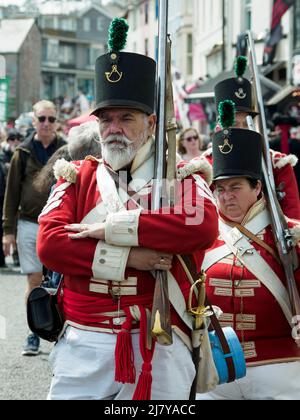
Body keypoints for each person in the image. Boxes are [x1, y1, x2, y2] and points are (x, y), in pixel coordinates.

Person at [37, 18, 219, 401]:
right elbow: (51, 245)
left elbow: (201, 226)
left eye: (126, 118)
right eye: (106, 120)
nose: (113, 128)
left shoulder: (178, 176)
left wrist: (114, 227)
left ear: (151, 123)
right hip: (84, 338)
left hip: (159, 338)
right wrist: (130, 257)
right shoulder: (77, 176)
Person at [197, 119, 300, 400]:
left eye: (235, 187)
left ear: (257, 187)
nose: (226, 197)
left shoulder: (290, 233)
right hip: (216, 366)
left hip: (278, 366)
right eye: (220, 189)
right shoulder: (199, 234)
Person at [2, 100, 66, 356]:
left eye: (51, 119)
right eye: (42, 119)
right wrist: (8, 230)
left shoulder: (67, 148)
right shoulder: (23, 152)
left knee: (61, 281)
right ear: (34, 122)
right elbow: (11, 193)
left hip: (60, 224)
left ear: (57, 121)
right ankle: (34, 333)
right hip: (29, 223)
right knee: (35, 280)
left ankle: (59, 332)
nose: (47, 124)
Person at [202, 56, 300, 219]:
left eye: (247, 123)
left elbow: (293, 216)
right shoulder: (203, 166)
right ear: (220, 128)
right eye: (234, 123)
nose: (242, 130)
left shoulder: (276, 163)